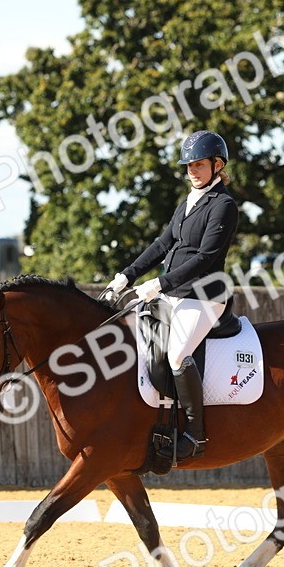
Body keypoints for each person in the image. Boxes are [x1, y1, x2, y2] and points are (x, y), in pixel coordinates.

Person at [105, 129, 239, 461]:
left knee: (178, 354)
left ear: (217, 165)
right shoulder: (187, 203)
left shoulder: (223, 205)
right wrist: (126, 276)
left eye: (199, 165)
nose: (192, 171)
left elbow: (205, 258)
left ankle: (196, 433)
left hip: (205, 296)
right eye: (189, 165)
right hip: (175, 294)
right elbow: (162, 245)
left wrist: (160, 284)